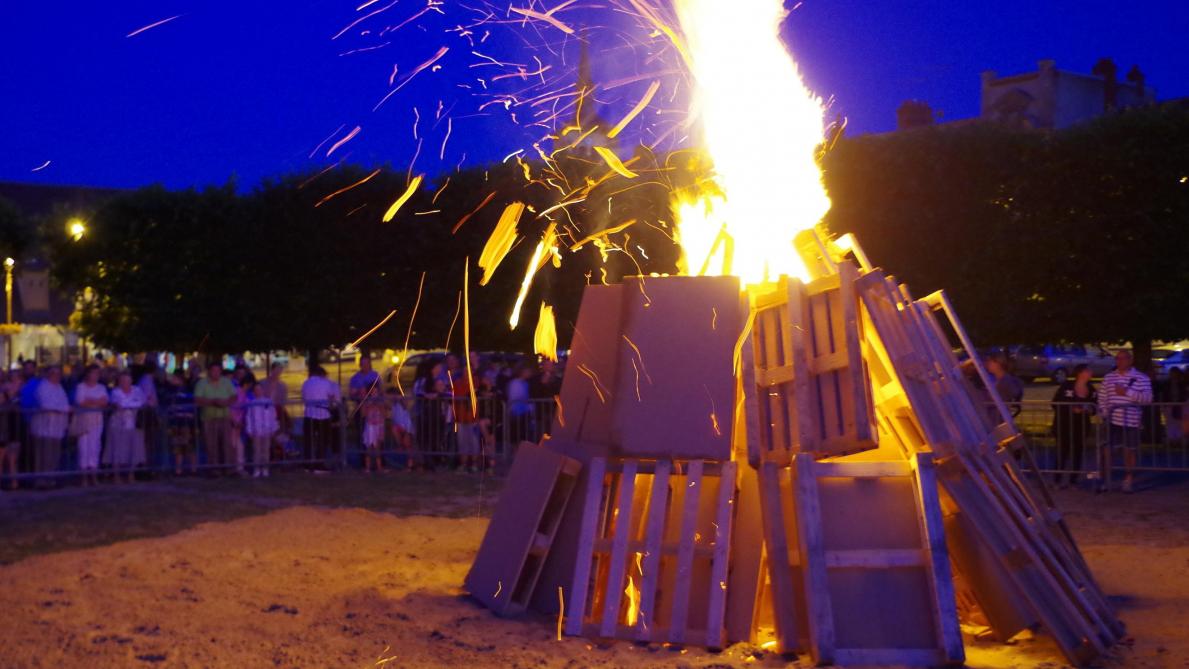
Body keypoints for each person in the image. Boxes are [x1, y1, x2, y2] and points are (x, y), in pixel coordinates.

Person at [1097, 350, 1152, 493]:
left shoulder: (1141, 378)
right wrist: (1104, 412)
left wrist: (1127, 392)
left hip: (1131, 421)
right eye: (1117, 359)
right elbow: (1102, 397)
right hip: (1112, 420)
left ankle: (1128, 479)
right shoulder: (1109, 377)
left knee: (1130, 450)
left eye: (1123, 359)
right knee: (1108, 450)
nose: (1120, 361)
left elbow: (1148, 399)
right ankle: (1106, 479)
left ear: (1130, 360)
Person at [1050, 364, 1096, 488]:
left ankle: (1073, 479)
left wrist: (1089, 410)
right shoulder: (1067, 386)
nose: (1091, 373)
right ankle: (1057, 479)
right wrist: (1071, 409)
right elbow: (1055, 403)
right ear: (1080, 373)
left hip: (1081, 425)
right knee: (1062, 452)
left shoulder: (1091, 389)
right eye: (1088, 371)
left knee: (1078, 452)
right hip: (1064, 424)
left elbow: (1095, 405)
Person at [194, 363, 237, 474]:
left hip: (224, 417)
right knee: (211, 445)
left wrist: (226, 402)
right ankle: (214, 469)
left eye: (218, 371)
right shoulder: (202, 383)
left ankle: (229, 468)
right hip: (209, 418)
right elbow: (197, 399)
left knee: (227, 444)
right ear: (209, 371)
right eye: (214, 371)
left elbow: (234, 396)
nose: (216, 373)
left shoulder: (226, 382)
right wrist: (213, 402)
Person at [30, 366, 70, 486]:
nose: (57, 376)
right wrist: (62, 408)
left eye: (59, 374)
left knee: (54, 455)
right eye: (55, 374)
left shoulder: (60, 388)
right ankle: (40, 480)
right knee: (43, 455)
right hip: (44, 428)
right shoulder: (42, 387)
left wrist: (63, 409)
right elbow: (46, 404)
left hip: (57, 427)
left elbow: (65, 403)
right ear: (49, 374)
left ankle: (51, 479)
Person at [107, 371, 147, 484]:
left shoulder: (137, 390)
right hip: (118, 425)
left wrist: (130, 405)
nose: (125, 383)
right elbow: (117, 404)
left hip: (134, 424)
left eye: (128, 381)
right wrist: (129, 405)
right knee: (117, 450)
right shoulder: (115, 392)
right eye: (123, 381)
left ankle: (131, 474)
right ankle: (117, 475)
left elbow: (143, 402)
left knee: (134, 450)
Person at [72, 365, 109, 487]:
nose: (95, 376)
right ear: (88, 374)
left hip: (97, 422)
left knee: (95, 447)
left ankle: (94, 475)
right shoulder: (81, 387)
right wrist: (96, 402)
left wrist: (91, 401)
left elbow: (104, 402)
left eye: (98, 373)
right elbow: (81, 402)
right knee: (83, 448)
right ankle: (83, 476)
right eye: (93, 373)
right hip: (83, 421)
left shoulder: (101, 387)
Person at [301, 365, 341, 469]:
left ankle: (308, 463)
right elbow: (332, 397)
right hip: (323, 415)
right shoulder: (326, 383)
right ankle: (319, 464)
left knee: (309, 441)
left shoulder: (306, 383)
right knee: (322, 440)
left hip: (309, 414)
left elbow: (304, 398)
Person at [243, 377, 278, 478]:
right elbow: (249, 417)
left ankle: (265, 468)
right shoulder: (251, 403)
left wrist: (273, 428)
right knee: (256, 450)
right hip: (256, 430)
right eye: (256, 390)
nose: (258, 391)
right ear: (254, 391)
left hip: (266, 430)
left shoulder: (268, 402)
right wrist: (249, 430)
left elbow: (273, 416)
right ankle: (257, 469)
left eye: (259, 389)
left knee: (266, 450)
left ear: (262, 390)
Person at [985, 352, 1025, 417]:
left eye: (990, 362)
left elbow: (1014, 394)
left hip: (1000, 416)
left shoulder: (1005, 381)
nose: (987, 364)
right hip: (997, 415)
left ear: (998, 364)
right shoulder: (997, 379)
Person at [388, 389, 416, 471]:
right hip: (398, 427)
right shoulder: (393, 405)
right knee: (394, 430)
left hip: (407, 427)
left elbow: (405, 405)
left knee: (408, 445)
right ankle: (400, 445)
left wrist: (400, 398)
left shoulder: (402, 402)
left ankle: (410, 465)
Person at [0, 383, 20, 490]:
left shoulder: (9, 407)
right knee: (4, 461)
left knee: (11, 461)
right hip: (6, 437)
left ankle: (14, 483)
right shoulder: (11, 406)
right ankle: (11, 483)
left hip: (9, 437)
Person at [361, 393, 386, 473]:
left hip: (378, 426)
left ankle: (379, 467)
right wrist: (369, 406)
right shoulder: (367, 402)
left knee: (377, 447)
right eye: (373, 392)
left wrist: (379, 406)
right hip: (370, 427)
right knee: (369, 447)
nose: (374, 393)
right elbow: (363, 414)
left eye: (376, 391)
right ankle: (367, 467)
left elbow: (384, 414)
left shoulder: (381, 401)